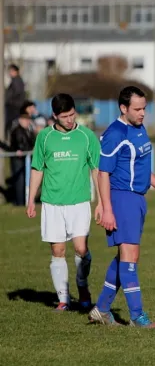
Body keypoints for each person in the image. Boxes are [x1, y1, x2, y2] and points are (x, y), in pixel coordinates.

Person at [89, 86, 155, 328]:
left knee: (124, 257)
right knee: (130, 256)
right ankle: (137, 316)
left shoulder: (139, 128)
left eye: (144, 108)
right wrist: (106, 209)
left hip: (138, 198)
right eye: (137, 109)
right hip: (121, 198)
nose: (142, 113)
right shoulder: (115, 133)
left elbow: (143, 168)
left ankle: (102, 309)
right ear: (123, 108)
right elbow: (103, 174)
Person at [26, 93, 102, 311]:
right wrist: (31, 199)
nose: (70, 120)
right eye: (64, 116)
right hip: (52, 203)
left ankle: (82, 285)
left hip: (79, 202)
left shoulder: (87, 136)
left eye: (72, 114)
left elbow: (97, 170)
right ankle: (63, 298)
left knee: (81, 248)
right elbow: (37, 168)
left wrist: (102, 203)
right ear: (54, 116)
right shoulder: (45, 137)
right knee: (58, 251)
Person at [0, 106, 36, 206]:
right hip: (18, 159)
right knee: (19, 181)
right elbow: (17, 145)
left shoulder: (29, 131)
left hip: (27, 158)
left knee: (27, 180)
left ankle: (27, 200)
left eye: (28, 119)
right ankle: (20, 203)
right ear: (20, 120)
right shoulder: (17, 130)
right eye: (25, 119)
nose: (27, 121)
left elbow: (32, 142)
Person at [5, 64, 26, 138]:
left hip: (14, 107)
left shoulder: (16, 81)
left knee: (10, 125)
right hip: (14, 106)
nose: (9, 73)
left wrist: (8, 100)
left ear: (16, 71)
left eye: (11, 71)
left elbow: (16, 93)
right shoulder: (16, 80)